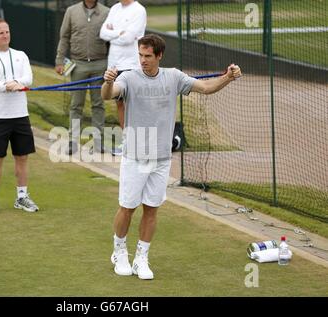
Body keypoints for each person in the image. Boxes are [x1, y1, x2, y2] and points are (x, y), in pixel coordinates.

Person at [101, 34, 242, 280]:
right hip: (135, 157)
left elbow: (207, 88)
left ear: (159, 56)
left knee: (152, 209)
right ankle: (119, 251)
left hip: (162, 158)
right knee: (127, 208)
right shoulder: (128, 78)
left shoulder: (174, 76)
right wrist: (107, 82)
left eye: (147, 56)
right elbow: (109, 93)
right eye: (140, 55)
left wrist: (228, 78)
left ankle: (141, 258)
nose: (143, 60)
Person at [0, 18, 39, 215]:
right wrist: (9, 86)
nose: (5, 35)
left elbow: (28, 78)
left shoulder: (21, 55)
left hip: (20, 115)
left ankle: (22, 197)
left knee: (22, 157)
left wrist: (15, 83)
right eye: (1, 33)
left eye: (7, 32)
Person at [55, 0, 109, 154]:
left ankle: (98, 143)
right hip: (77, 64)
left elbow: (112, 41)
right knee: (76, 105)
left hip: (100, 64)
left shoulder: (107, 12)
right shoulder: (71, 11)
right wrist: (59, 60)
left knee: (98, 104)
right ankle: (73, 142)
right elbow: (64, 37)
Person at [99, 0, 146, 155]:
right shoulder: (114, 8)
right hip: (114, 66)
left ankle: (138, 144)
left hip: (132, 65)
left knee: (133, 105)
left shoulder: (139, 10)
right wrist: (119, 32)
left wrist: (114, 33)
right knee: (120, 104)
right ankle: (127, 144)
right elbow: (102, 33)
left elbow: (128, 38)